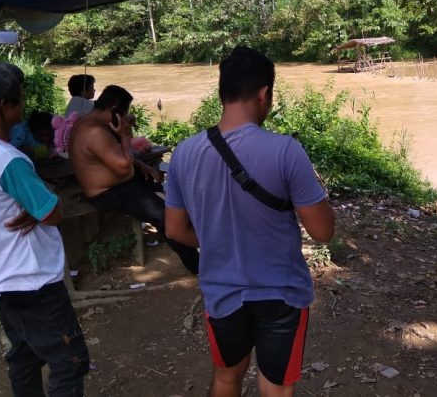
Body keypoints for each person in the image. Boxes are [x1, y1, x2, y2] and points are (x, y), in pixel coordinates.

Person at [165, 46, 335, 397]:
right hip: (282, 294)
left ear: (221, 94)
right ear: (264, 94)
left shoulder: (184, 153)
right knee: (275, 386)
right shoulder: (286, 151)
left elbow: (175, 230)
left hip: (222, 291)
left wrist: (216, 238)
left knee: (227, 377)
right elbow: (322, 231)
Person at [0, 59, 90, 396]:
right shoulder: (7, 160)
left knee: (24, 357)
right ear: (2, 105)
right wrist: (46, 201)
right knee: (70, 360)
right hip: (32, 279)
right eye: (19, 98)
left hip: (0, 277)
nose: (23, 104)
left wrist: (35, 207)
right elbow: (52, 213)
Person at [68, 84, 199, 273]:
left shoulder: (89, 122)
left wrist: (139, 164)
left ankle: (190, 241)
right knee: (165, 218)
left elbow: (109, 157)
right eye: (125, 113)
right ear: (114, 112)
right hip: (110, 193)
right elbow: (122, 167)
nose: (126, 117)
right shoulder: (94, 132)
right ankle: (200, 264)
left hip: (122, 185)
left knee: (163, 197)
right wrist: (125, 135)